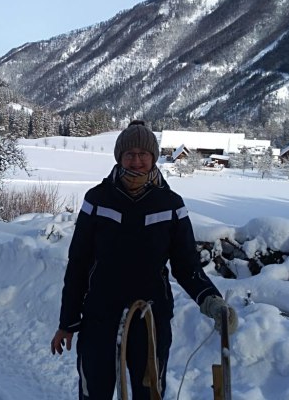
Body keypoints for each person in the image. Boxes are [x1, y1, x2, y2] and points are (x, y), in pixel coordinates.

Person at [50, 120, 238, 399]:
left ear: (153, 157)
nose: (136, 161)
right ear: (119, 157)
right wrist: (68, 322)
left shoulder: (171, 204)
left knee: (149, 392)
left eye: (143, 154)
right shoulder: (97, 199)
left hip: (151, 317)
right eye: (130, 154)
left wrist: (210, 299)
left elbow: (186, 265)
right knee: (94, 390)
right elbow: (79, 263)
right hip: (100, 315)